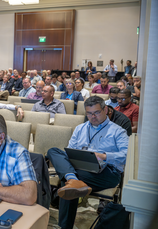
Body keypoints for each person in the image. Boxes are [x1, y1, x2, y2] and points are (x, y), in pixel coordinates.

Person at [47, 96, 128, 229]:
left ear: (105, 109)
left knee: (67, 181)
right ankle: (72, 179)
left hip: (107, 172)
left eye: (96, 112)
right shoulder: (80, 128)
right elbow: (70, 150)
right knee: (53, 151)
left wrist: (103, 156)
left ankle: (71, 181)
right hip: (80, 166)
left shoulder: (118, 131)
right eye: (89, 113)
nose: (92, 116)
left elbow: (125, 156)